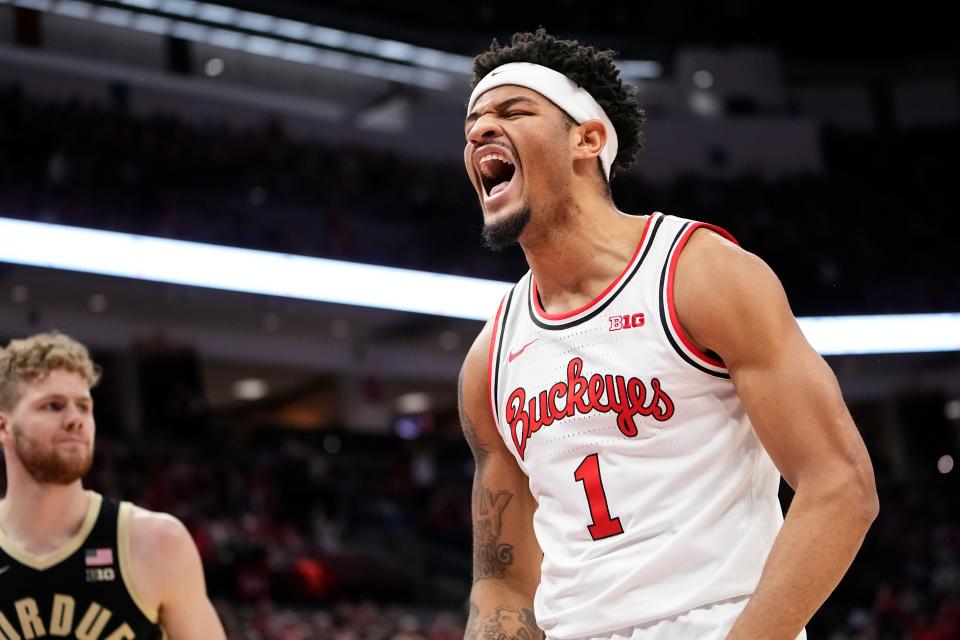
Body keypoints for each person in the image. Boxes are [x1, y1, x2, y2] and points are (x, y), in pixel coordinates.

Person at [458, 29, 878, 640]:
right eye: (472, 122)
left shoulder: (699, 274)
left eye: (513, 111)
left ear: (588, 137)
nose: (478, 131)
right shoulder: (489, 357)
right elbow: (504, 580)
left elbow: (840, 486)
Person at [0, 332, 225, 639]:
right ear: (4, 426)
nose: (75, 419)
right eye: (53, 406)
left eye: (83, 406)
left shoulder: (157, 543)